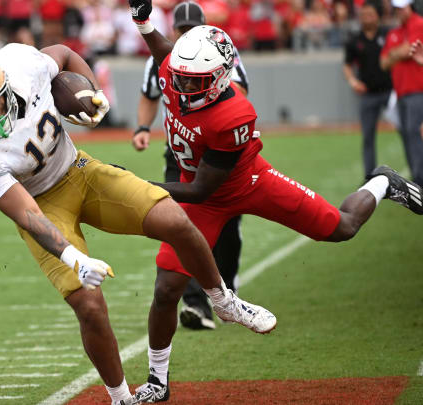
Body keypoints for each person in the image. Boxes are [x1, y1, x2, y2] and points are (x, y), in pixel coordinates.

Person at [0, 43, 276, 405]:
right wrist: (72, 257)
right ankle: (121, 397)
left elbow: (63, 53)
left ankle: (222, 301)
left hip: (79, 170)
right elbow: (26, 212)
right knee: (89, 306)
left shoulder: (21, 63)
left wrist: (91, 91)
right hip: (41, 204)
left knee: (176, 220)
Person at [127, 0, 423, 402]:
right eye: (179, 77)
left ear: (217, 79)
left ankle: (383, 183)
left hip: (243, 182)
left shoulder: (234, 114)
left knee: (341, 228)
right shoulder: (177, 71)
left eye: (193, 82)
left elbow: (201, 189)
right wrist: (143, 21)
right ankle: (158, 382)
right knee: (166, 289)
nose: (181, 88)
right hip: (201, 194)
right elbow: (165, 53)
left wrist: (135, 182)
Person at [132, 0, 249, 332]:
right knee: (180, 223)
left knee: (226, 228)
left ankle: (227, 289)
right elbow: (149, 93)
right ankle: (195, 302)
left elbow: (239, 92)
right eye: (180, 30)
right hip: (180, 152)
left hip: (217, 153)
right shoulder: (165, 57)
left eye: (190, 30)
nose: (184, 36)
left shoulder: (221, 52)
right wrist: (142, 128)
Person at [343, 1, 394, 180]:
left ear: (378, 16)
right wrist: (352, 81)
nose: (366, 18)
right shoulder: (355, 40)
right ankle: (370, 178)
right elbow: (347, 65)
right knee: (368, 137)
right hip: (368, 94)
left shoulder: (388, 35)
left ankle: (416, 176)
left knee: (408, 131)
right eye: (363, 15)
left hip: (390, 93)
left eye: (370, 14)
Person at [380, 0, 423, 187]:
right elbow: (383, 63)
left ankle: (420, 179)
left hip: (417, 90)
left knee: (414, 133)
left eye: (401, 8)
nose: (399, 12)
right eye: (396, 8)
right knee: (407, 134)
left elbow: (409, 51)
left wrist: (394, 54)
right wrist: (397, 53)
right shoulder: (394, 32)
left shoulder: (418, 23)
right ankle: (416, 178)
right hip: (401, 93)